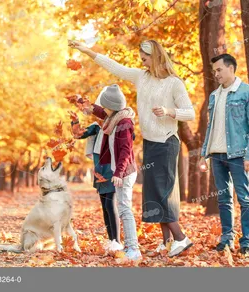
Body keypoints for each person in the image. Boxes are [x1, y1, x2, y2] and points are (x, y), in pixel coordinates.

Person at [69, 39, 195, 257]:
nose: (142, 61)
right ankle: (167, 242)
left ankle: (181, 238)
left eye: (144, 57)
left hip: (166, 141)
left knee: (162, 192)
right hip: (150, 142)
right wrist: (87, 51)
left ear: (155, 55)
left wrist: (168, 111)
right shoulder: (141, 77)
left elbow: (190, 113)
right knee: (153, 193)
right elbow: (114, 67)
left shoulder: (175, 83)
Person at [199, 54, 249, 257]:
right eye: (214, 71)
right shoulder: (214, 96)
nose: (216, 74)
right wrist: (204, 154)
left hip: (238, 154)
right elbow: (210, 127)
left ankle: (247, 242)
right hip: (217, 154)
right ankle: (227, 239)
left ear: (231, 68)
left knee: (245, 199)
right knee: (224, 199)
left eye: (219, 70)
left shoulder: (248, 92)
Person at [78, 84, 141, 261]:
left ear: (112, 106)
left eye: (105, 105)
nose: (103, 108)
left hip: (125, 172)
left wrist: (119, 172)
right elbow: (100, 112)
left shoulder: (123, 123)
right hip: (119, 170)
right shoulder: (114, 118)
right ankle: (129, 246)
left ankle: (133, 249)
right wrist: (85, 104)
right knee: (122, 208)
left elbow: (126, 150)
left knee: (124, 209)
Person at [69, 90, 123, 252]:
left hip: (110, 165)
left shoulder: (117, 123)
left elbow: (128, 139)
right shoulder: (96, 127)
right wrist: (74, 121)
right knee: (103, 203)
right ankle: (111, 240)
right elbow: (78, 135)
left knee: (110, 202)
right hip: (99, 165)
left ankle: (117, 241)